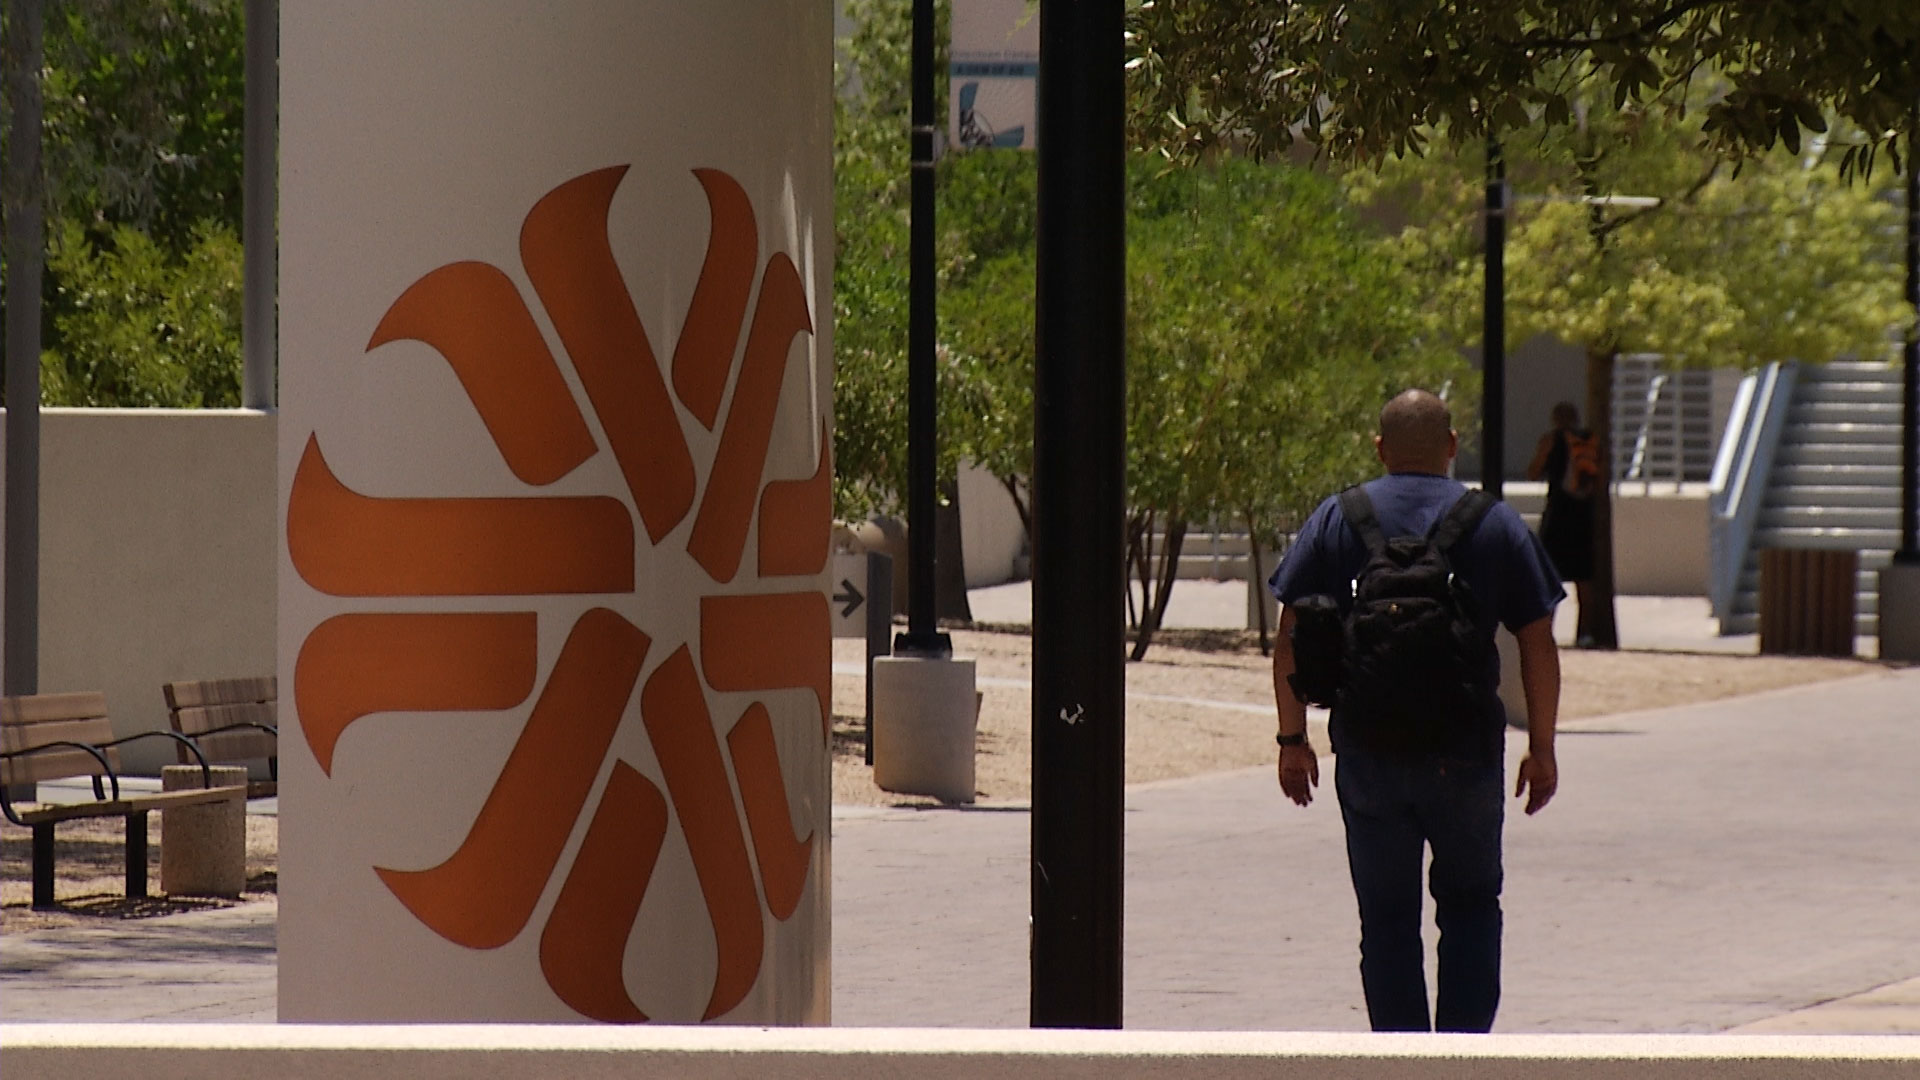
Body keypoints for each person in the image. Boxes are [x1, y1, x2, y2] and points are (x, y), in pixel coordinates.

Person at [1267, 389, 1564, 1034]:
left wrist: (1293, 738)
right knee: (1471, 908)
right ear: (1453, 445)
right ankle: (1462, 1060)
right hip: (1465, 754)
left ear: (1379, 449)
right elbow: (1537, 640)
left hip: (1369, 752)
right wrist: (1542, 747)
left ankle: (1400, 1063)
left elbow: (1288, 634)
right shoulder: (1493, 522)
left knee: (1387, 921)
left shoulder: (1338, 518)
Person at [1528, 402, 1598, 646]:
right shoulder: (1591, 442)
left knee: (1548, 577)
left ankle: (1548, 631)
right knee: (1585, 581)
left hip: (1558, 514)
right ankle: (1584, 634)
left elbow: (1533, 472)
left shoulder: (1552, 440)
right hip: (1584, 516)